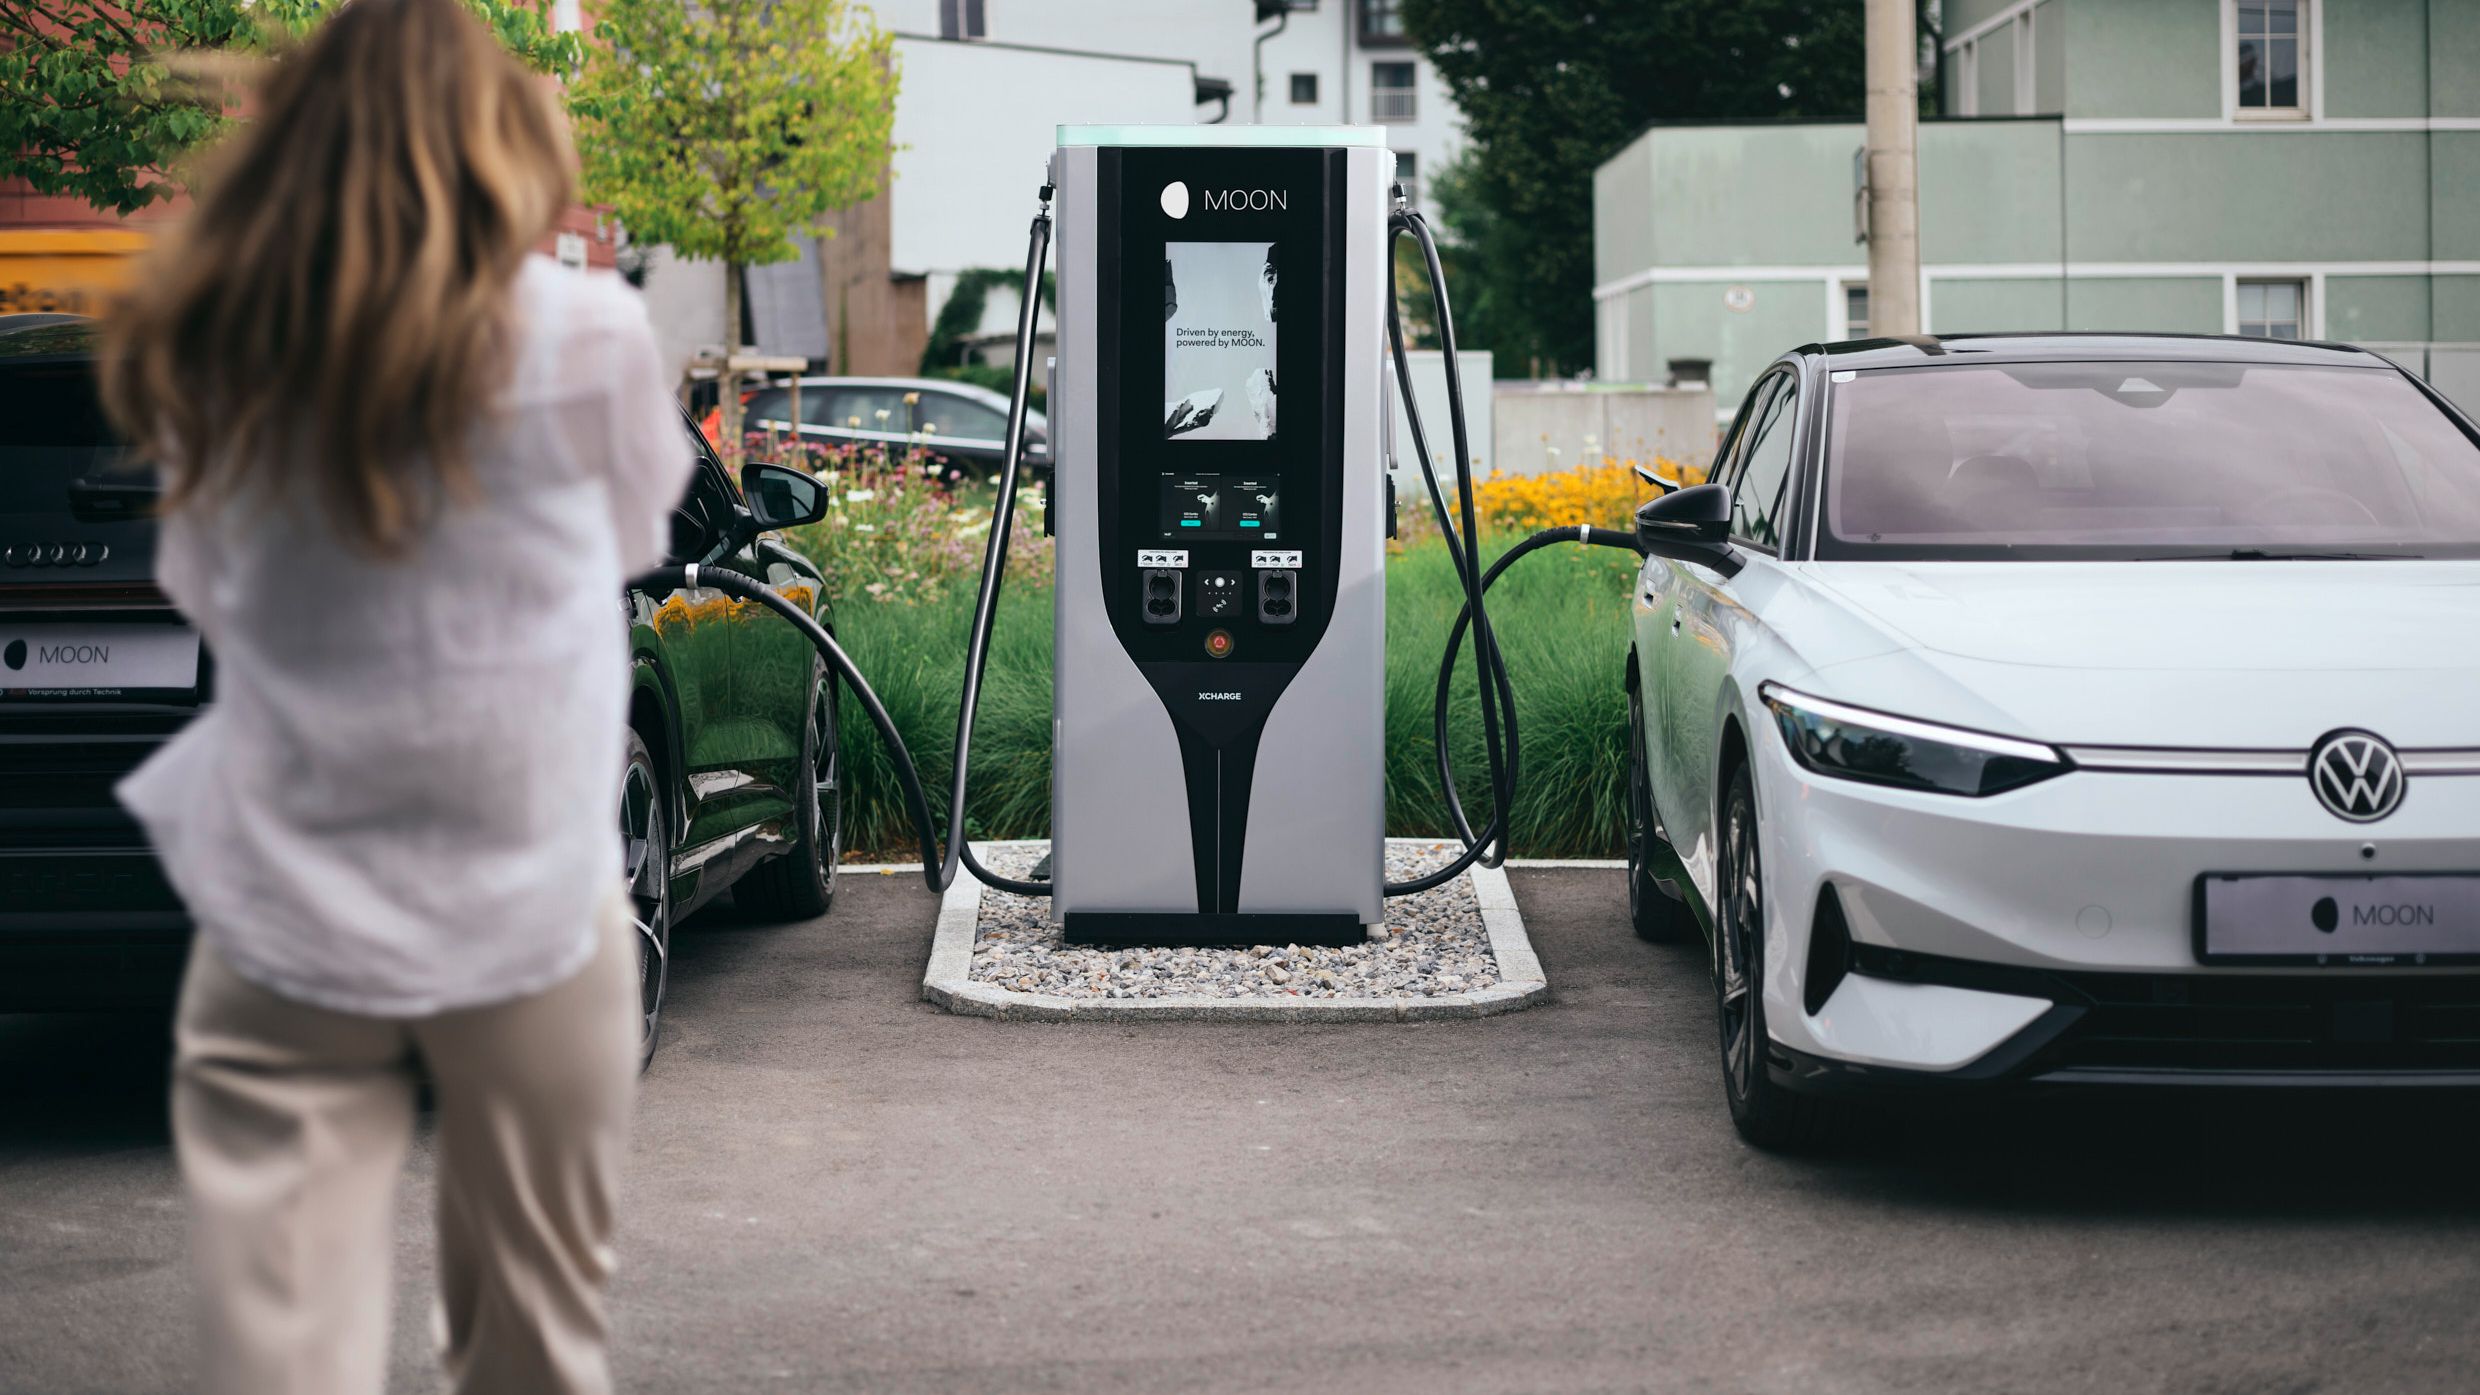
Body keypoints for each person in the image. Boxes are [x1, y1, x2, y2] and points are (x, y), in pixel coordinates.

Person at [97, 0, 689, 1390]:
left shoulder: (221, 338)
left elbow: (205, 587)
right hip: (534, 899)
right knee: (535, 1347)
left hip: (284, 909)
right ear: (497, 138)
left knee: (281, 1358)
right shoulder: (591, 333)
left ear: (299, 137)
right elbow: (632, 542)